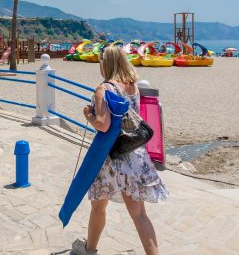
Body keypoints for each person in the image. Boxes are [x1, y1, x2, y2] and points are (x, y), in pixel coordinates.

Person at [72, 45, 168, 255]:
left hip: (110, 158)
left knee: (98, 206)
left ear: (105, 64)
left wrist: (88, 115)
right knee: (139, 214)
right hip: (135, 155)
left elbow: (103, 125)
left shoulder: (103, 88)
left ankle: (90, 250)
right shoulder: (132, 87)